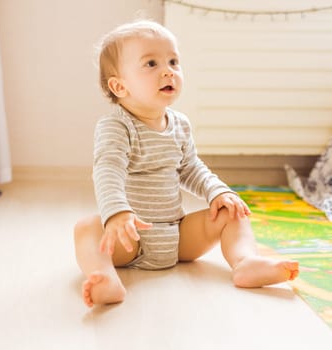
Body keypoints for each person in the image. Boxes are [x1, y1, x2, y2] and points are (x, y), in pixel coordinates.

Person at [73, 19, 299, 308]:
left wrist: (218, 192)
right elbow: (107, 170)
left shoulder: (179, 124)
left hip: (178, 236)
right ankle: (104, 277)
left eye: (173, 61)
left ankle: (245, 262)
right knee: (87, 228)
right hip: (131, 241)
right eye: (151, 64)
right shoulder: (116, 127)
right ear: (119, 86)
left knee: (233, 212)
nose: (168, 70)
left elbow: (191, 168)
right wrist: (117, 213)